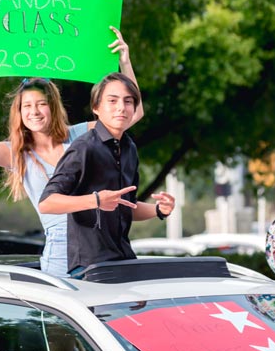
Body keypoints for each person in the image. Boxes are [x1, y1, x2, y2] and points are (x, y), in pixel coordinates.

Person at [0, 27, 143, 277]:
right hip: (59, 256)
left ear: (54, 108)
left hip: (99, 247)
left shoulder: (81, 135)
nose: (34, 111)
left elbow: (131, 113)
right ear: (18, 112)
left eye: (41, 104)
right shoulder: (17, 154)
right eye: (27, 106)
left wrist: (125, 62)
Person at [38, 73, 175, 275]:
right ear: (96, 107)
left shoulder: (129, 147)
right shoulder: (84, 147)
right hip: (90, 266)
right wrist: (96, 200)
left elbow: (126, 206)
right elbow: (47, 203)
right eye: (112, 100)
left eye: (128, 101)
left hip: (122, 258)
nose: (121, 107)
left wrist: (159, 210)